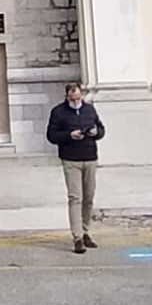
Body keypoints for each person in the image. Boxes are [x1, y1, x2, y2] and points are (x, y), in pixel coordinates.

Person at [45, 83, 106, 254]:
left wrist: (96, 132)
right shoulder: (58, 112)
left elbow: (101, 129)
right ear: (67, 97)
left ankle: (86, 231)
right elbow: (51, 135)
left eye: (79, 98)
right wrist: (69, 135)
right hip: (71, 159)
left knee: (89, 197)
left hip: (90, 157)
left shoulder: (89, 110)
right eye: (73, 99)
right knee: (75, 198)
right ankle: (77, 237)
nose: (77, 101)